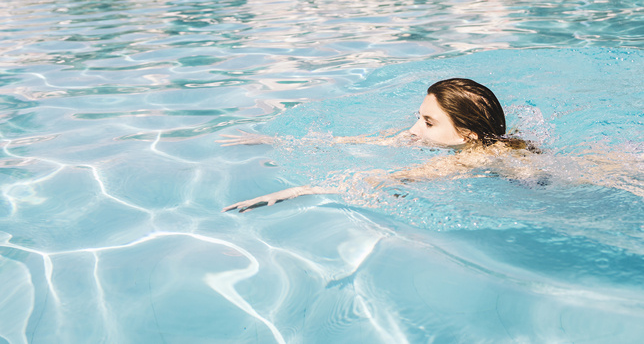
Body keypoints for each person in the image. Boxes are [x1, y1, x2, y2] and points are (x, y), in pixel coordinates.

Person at [217, 78, 541, 213]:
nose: (414, 129)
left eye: (428, 122)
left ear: (467, 136)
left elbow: (382, 180)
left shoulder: (470, 160)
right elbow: (373, 142)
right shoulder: (479, 139)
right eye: (419, 117)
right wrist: (276, 140)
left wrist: (293, 192)